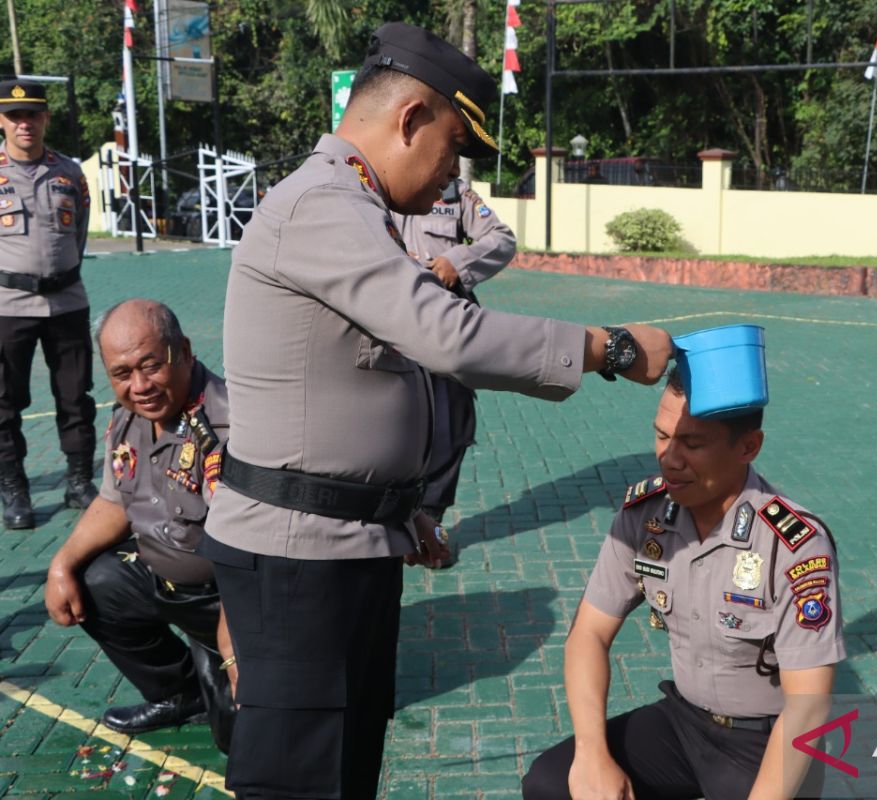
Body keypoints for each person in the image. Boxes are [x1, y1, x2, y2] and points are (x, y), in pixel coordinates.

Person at [201, 22, 672, 800]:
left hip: (349, 542)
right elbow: (446, 336)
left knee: (345, 769)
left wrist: (395, 508)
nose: (453, 171)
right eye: (453, 146)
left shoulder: (357, 209)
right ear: (410, 118)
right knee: (297, 781)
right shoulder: (322, 205)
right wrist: (608, 348)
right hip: (299, 562)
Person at [522, 369, 843, 800]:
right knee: (551, 783)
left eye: (692, 444)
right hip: (684, 722)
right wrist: (591, 755)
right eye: (661, 436)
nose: (669, 458)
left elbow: (809, 708)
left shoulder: (794, 545)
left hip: (766, 744)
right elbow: (588, 634)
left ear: (748, 447)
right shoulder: (646, 515)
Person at [42, 299, 234, 751]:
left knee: (242, 741)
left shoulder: (229, 427)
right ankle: (179, 693)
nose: (140, 386)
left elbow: (257, 557)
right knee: (93, 579)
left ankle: (227, 676)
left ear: (183, 351)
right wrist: (60, 564)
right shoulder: (129, 416)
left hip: (232, 603)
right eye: (122, 373)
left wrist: (235, 648)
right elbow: (115, 501)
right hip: (166, 578)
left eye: (151, 366)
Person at [394, 177, 517, 566]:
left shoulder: (452, 192)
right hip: (388, 318)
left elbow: (501, 238)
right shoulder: (369, 186)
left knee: (452, 425)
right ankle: (393, 529)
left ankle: (432, 523)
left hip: (445, 319)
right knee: (392, 424)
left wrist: (457, 262)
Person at [0, 78, 97, 529]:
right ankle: (14, 488)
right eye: (16, 116)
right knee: (4, 402)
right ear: (2, 120)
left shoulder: (69, 172)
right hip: (8, 305)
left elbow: (78, 230)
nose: (25, 123)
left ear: (46, 118)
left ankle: (79, 481)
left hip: (66, 303)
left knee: (76, 397)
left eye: (32, 114)